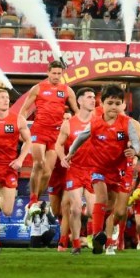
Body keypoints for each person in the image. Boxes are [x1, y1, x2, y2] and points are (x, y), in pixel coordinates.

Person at [66, 83, 140, 256]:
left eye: (117, 104)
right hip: (98, 168)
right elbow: (81, 138)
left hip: (120, 171)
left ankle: (104, 229)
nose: (113, 107)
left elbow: (137, 141)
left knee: (117, 211)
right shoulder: (95, 122)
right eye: (110, 103)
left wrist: (134, 150)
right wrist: (70, 153)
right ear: (102, 104)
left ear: (123, 105)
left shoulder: (127, 123)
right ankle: (97, 235)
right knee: (101, 197)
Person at [20, 59, 79, 225]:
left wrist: (70, 120)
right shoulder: (38, 88)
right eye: (53, 73)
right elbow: (24, 109)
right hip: (39, 130)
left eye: (59, 74)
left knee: (47, 172)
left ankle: (33, 203)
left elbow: (77, 112)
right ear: (48, 73)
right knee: (38, 164)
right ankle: (32, 200)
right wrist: (22, 127)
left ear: (62, 74)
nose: (56, 76)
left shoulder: (67, 90)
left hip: (56, 134)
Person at [0, 85, 32, 255]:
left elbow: (28, 142)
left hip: (10, 167)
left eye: (7, 98)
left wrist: (20, 159)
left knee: (8, 210)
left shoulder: (18, 120)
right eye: (2, 97)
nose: (6, 100)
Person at [52, 87, 96, 253]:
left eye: (94, 97)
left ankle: (97, 236)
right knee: (75, 208)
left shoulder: (98, 120)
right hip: (75, 169)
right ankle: (76, 243)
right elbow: (58, 144)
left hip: (93, 170)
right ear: (79, 101)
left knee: (93, 211)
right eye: (89, 97)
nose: (93, 100)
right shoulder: (69, 124)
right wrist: (63, 157)